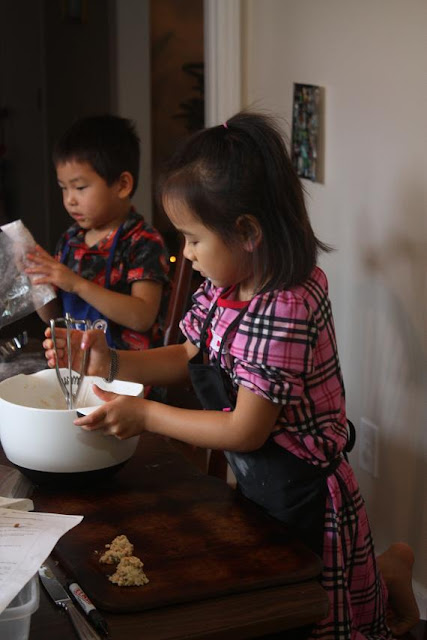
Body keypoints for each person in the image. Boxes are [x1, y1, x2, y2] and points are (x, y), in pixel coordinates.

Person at [42, 111, 419, 639]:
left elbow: (245, 429)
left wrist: (147, 414)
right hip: (259, 481)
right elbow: (186, 354)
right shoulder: (226, 286)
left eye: (194, 239)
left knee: (315, 615)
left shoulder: (285, 306)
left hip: (304, 492)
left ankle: (389, 572)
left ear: (247, 233)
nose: (186, 253)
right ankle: (387, 570)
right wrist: (110, 362)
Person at [26, 114, 170, 352]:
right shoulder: (70, 240)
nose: (70, 200)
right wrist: (38, 285)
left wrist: (77, 284)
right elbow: (53, 316)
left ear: (122, 185)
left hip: (129, 368)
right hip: (78, 363)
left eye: (80, 187)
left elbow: (142, 317)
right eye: (64, 188)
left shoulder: (143, 241)